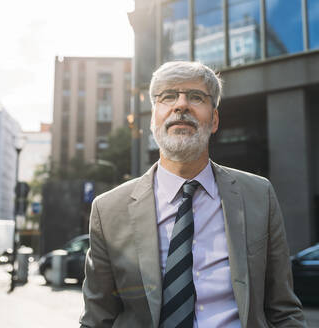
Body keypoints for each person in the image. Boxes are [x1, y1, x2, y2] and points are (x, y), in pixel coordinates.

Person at [80, 61, 306, 328]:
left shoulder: (259, 195)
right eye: (168, 97)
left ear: (214, 120)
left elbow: (284, 310)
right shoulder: (108, 211)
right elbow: (97, 319)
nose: (181, 105)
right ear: (153, 120)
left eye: (196, 97)